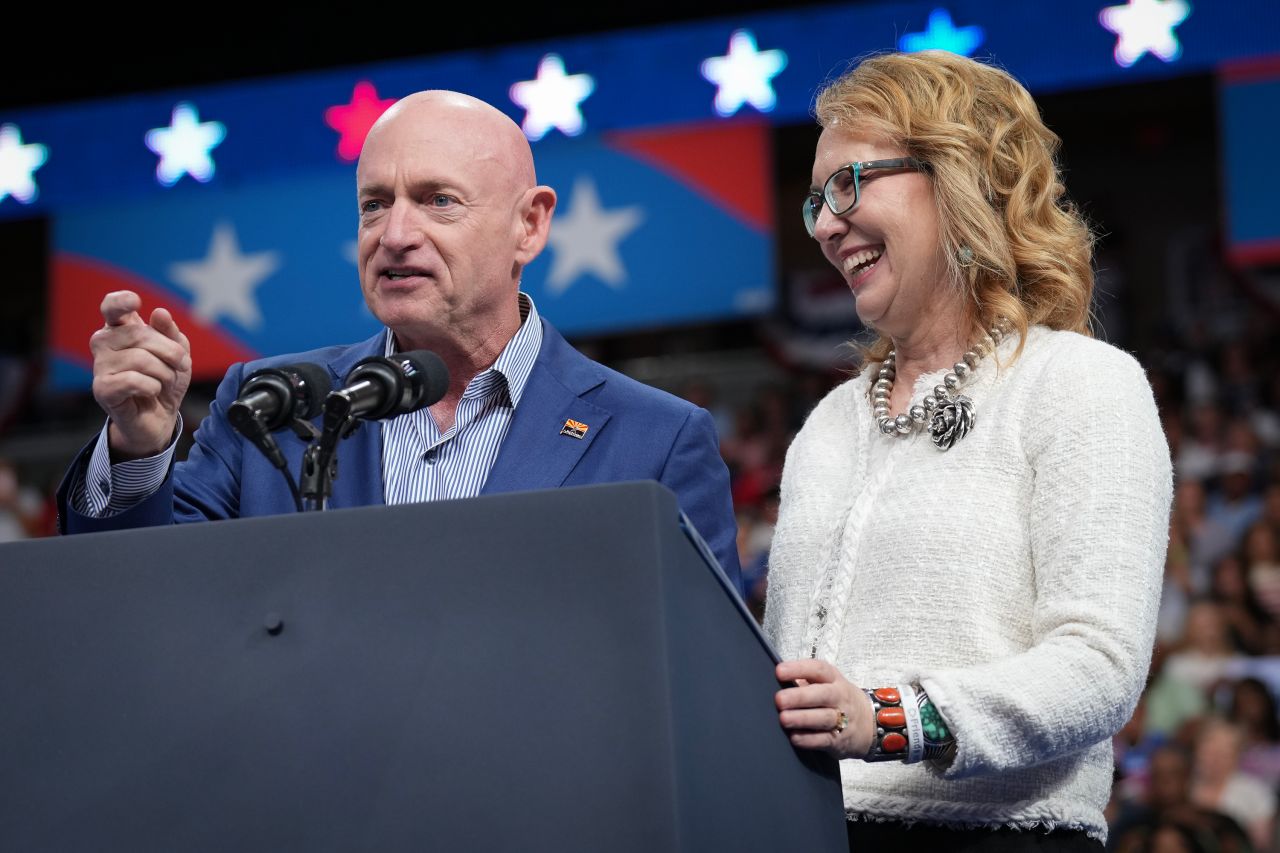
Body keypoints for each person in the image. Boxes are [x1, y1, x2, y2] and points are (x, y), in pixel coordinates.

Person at [55, 91, 741, 587]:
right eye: (374, 204)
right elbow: (145, 604)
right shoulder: (269, 406)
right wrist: (141, 444)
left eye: (439, 200)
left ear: (528, 226)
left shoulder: (657, 439)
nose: (395, 234)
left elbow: (695, 672)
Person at [764, 51, 1172, 848]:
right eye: (815, 199)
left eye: (849, 183)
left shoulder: (1082, 383)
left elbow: (1098, 666)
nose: (823, 223)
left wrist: (889, 718)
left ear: (961, 176)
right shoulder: (826, 426)